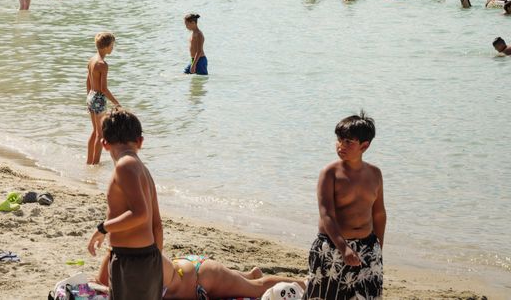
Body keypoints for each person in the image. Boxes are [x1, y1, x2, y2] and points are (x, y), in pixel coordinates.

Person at [306, 112, 385, 300]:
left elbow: (379, 214)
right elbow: (327, 215)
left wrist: (378, 247)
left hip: (367, 246)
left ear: (364, 146)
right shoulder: (330, 173)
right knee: (325, 295)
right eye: (339, 139)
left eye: (348, 142)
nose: (341, 145)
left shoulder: (375, 174)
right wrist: (344, 248)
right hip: (333, 246)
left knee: (367, 296)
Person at [87, 108, 162, 300]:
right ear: (140, 141)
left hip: (132, 259)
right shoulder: (143, 170)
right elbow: (156, 224)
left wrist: (103, 228)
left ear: (104, 144)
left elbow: (140, 214)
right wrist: (156, 264)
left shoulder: (124, 166)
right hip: (147, 258)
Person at [95, 252, 303, 300]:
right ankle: (248, 273)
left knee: (257, 288)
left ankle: (308, 282)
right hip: (189, 267)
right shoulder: (119, 259)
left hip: (203, 276)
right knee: (245, 280)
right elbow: (102, 280)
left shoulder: (152, 265)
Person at [86, 32, 120, 166]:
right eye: (112, 45)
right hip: (99, 98)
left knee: (95, 132)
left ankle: (89, 162)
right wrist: (117, 103)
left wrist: (89, 96)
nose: (113, 48)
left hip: (91, 96)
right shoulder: (102, 64)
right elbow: (104, 89)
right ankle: (95, 163)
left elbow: (88, 81)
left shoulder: (92, 60)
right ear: (106, 46)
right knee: (100, 135)